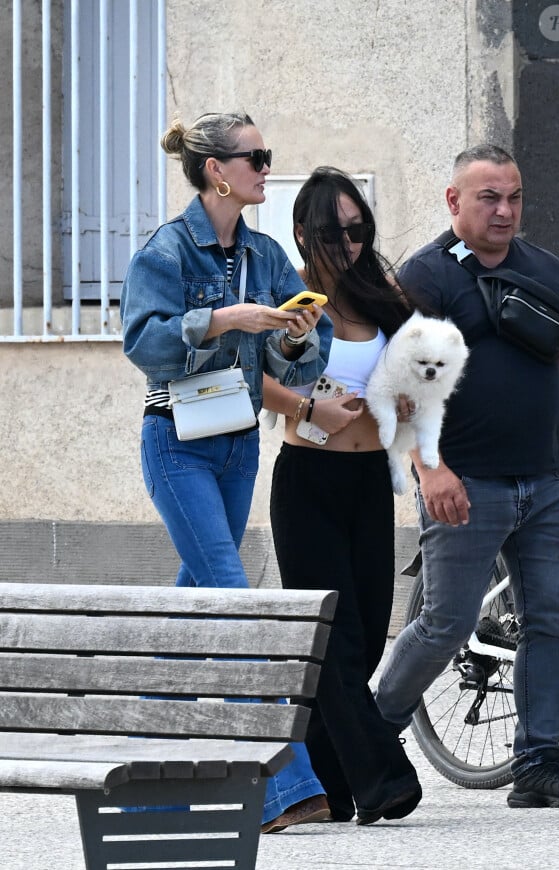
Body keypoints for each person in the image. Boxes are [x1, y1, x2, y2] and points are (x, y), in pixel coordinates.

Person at [120, 112, 334, 832]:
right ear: (216, 169)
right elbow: (143, 342)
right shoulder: (168, 250)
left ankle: (141, 767)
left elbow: (300, 356)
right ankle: (288, 787)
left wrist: (298, 337)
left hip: (239, 442)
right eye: (256, 157)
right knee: (237, 602)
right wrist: (221, 321)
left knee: (196, 609)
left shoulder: (267, 253)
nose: (266, 168)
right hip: (177, 442)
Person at [375, 144, 559, 808]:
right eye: (489, 197)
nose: (504, 210)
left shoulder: (546, 271)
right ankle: (371, 734)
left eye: (514, 196)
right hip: (465, 483)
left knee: (551, 620)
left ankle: (538, 763)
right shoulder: (427, 278)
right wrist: (429, 469)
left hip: (545, 481)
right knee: (446, 621)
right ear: (454, 201)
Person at [263, 166, 423, 825]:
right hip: (308, 485)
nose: (351, 243)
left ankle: (326, 783)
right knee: (338, 639)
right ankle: (385, 777)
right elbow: (250, 378)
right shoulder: (287, 301)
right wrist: (308, 409)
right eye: (336, 231)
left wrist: (408, 403)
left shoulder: (383, 295)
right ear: (303, 232)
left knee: (368, 634)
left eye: (359, 230)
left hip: (367, 486)